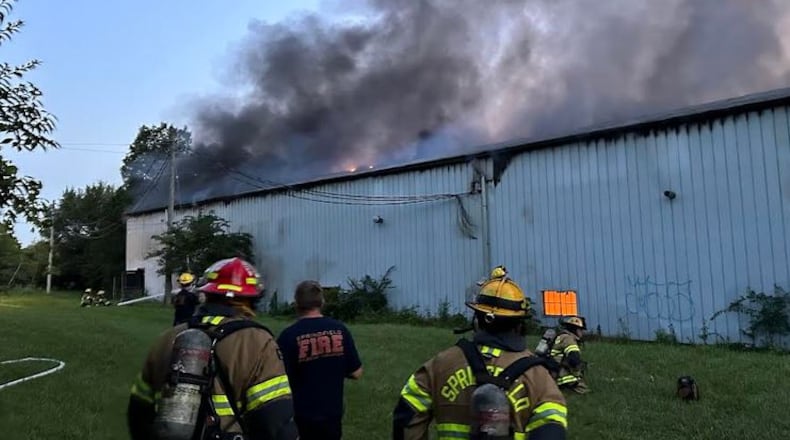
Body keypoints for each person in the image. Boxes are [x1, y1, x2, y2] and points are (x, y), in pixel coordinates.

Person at [127, 257, 299, 440]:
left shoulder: (167, 339)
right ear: (251, 300)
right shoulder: (259, 342)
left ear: (207, 294)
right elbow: (275, 421)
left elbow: (138, 412)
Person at [393, 266, 568, 440]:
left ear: (477, 320)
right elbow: (551, 428)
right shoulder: (537, 376)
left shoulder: (440, 365)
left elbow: (407, 413)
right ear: (519, 325)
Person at [276, 280, 363, 440]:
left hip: (301, 417)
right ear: (322, 302)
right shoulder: (339, 330)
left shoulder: (288, 336)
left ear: (297, 304)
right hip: (332, 414)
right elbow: (356, 372)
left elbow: (279, 378)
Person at [550, 315, 589, 394]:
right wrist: (580, 366)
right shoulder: (569, 339)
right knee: (585, 392)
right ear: (576, 330)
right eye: (581, 330)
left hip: (553, 371)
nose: (582, 333)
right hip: (562, 375)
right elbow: (574, 359)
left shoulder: (561, 336)